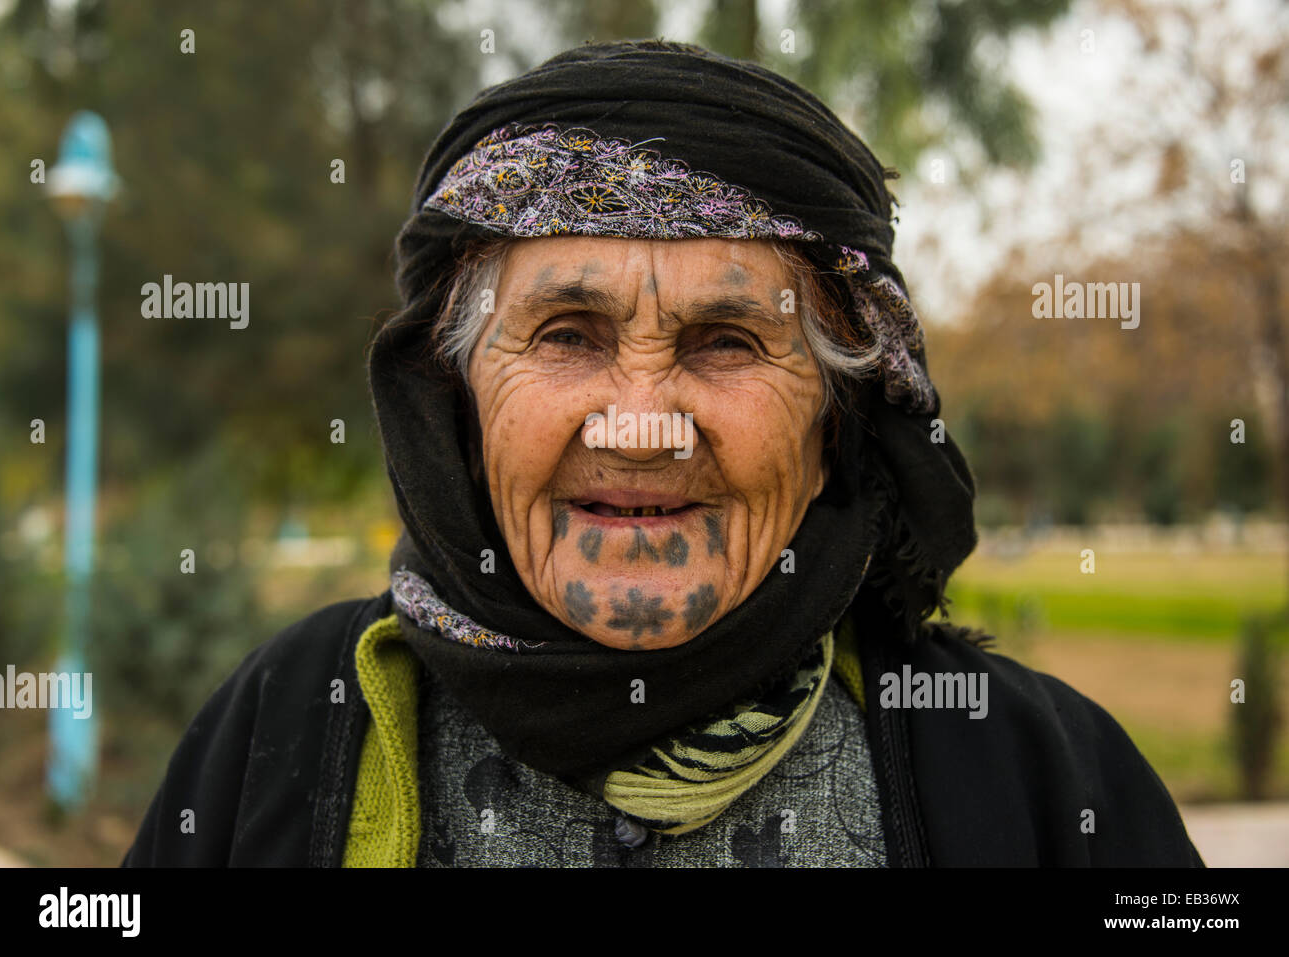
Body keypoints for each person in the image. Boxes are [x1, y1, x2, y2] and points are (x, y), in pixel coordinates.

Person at [123, 39, 1203, 867]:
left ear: (833, 423)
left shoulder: (1035, 776)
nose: (639, 425)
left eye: (726, 344)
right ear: (458, 406)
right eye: (566, 337)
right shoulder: (287, 722)